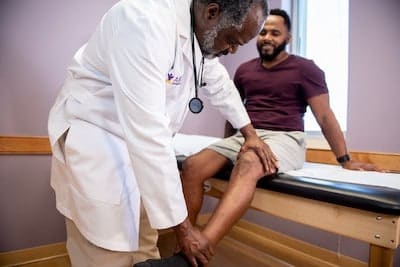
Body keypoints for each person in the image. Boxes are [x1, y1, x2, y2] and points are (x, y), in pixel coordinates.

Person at [47, 1, 271, 267]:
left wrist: (250, 134)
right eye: (232, 40)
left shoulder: (198, 37)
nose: (232, 49)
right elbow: (148, 133)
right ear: (212, 12)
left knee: (144, 246)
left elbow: (220, 84)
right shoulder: (142, 20)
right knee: (108, 252)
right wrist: (184, 230)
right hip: (99, 142)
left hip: (141, 155)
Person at [180, 8, 381, 255]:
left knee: (250, 162)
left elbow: (325, 116)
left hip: (285, 137)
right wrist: (226, 148)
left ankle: (199, 249)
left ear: (288, 38)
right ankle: (186, 239)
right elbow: (234, 111)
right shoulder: (244, 70)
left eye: (275, 33)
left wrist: (345, 160)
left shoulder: (306, 69)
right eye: (263, 32)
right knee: (192, 166)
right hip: (247, 135)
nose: (267, 37)